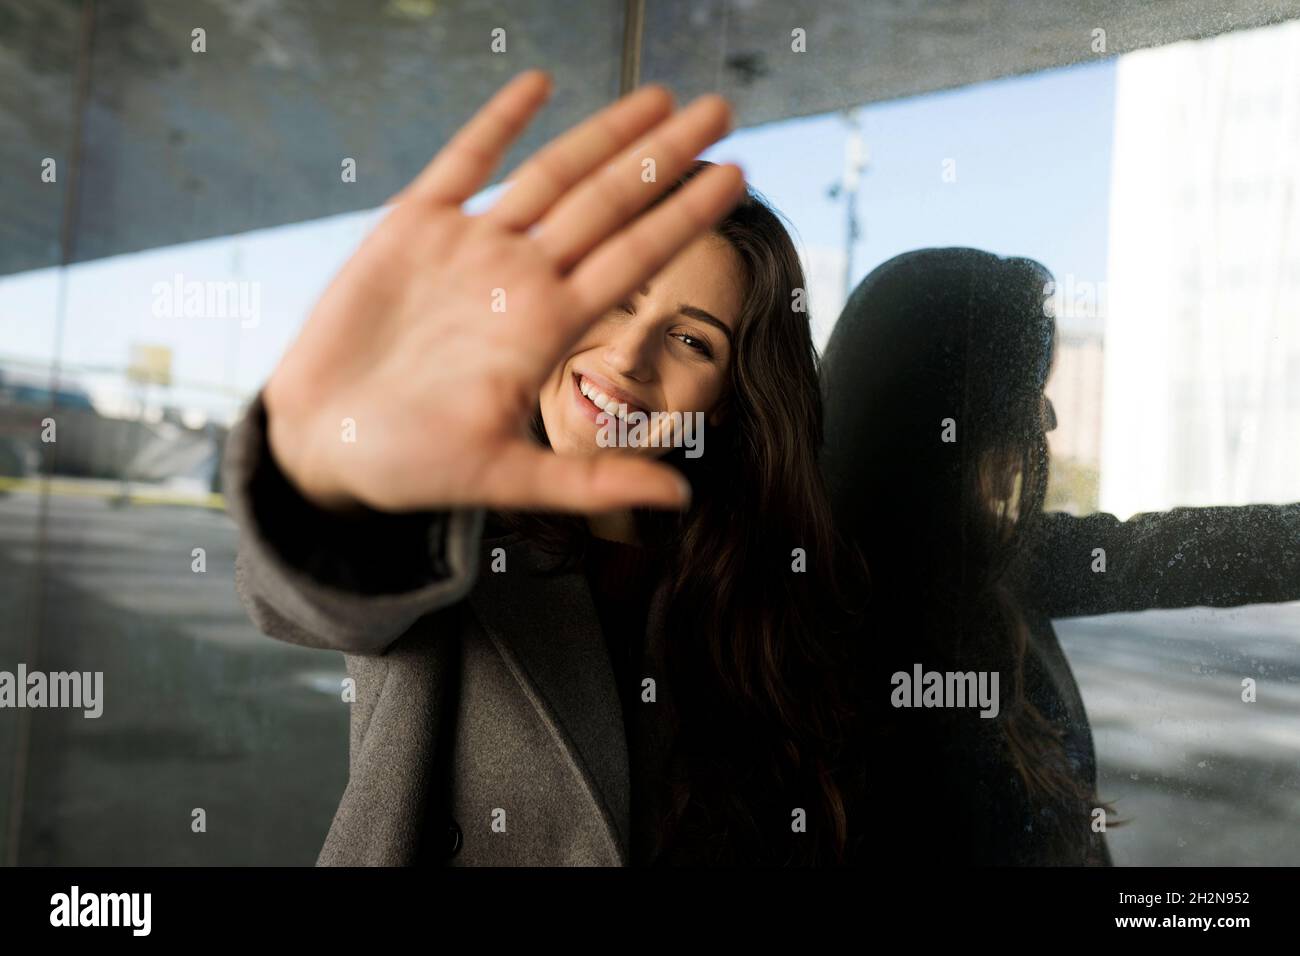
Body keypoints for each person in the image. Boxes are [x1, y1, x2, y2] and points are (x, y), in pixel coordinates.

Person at [223, 70, 867, 866]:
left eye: (693, 340)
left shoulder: (757, 592)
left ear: (730, 402)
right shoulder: (452, 523)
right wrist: (334, 472)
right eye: (617, 300)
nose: (629, 356)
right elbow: (303, 597)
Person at [819, 247, 1300, 865]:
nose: (1045, 420)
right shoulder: (823, 630)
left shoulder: (989, 556)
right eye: (1024, 391)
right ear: (939, 411)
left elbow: (1166, 550)